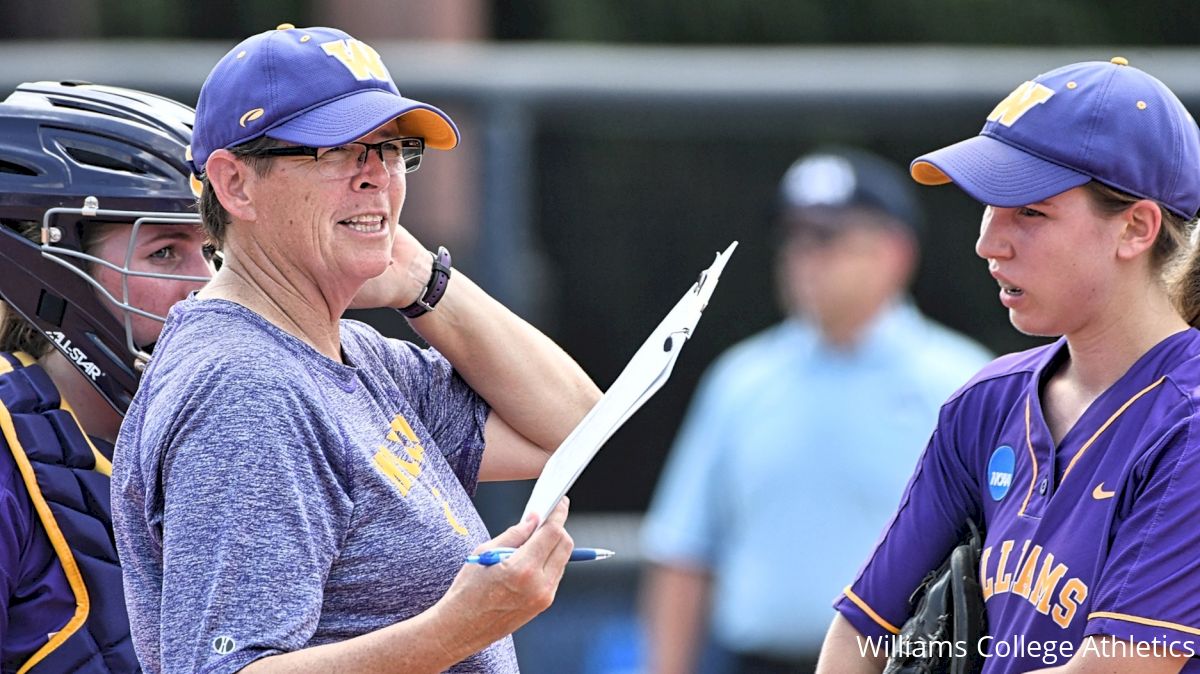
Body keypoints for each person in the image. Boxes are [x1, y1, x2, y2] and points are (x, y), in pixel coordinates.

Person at [110, 24, 602, 674]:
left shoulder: (347, 351)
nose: (378, 177)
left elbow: (575, 425)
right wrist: (454, 630)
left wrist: (428, 285)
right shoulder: (244, 386)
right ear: (234, 184)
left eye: (392, 149)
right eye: (338, 150)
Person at [818, 58, 1200, 674]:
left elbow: (1121, 668)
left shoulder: (1186, 421)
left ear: (1134, 227)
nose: (988, 242)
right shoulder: (987, 403)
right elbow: (860, 629)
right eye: (989, 205)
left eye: (1029, 211)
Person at [640, 148, 992, 674]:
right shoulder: (741, 380)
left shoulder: (966, 383)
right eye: (794, 238)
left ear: (894, 253)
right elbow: (683, 553)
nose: (803, 257)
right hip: (758, 663)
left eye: (827, 238)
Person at [0, 82, 212, 672]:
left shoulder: (236, 423)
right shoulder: (8, 447)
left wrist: (414, 281)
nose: (208, 286)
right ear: (53, 264)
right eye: (165, 253)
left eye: (215, 252)